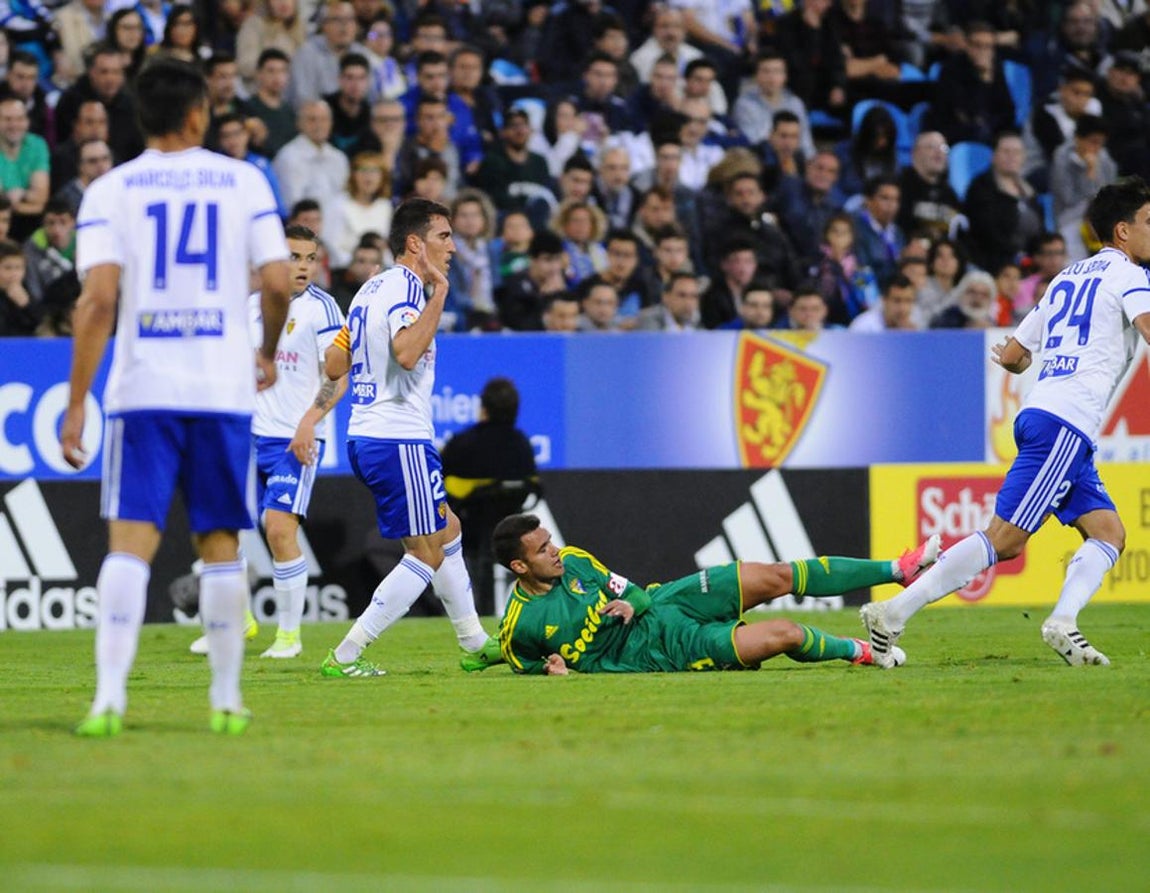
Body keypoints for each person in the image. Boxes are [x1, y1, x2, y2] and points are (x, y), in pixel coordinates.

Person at [62, 57, 292, 737]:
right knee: (221, 542)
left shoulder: (109, 189)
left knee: (129, 544)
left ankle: (108, 698)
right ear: (199, 114)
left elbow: (97, 299)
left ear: (140, 116)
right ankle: (225, 700)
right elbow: (278, 282)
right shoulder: (243, 180)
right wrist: (266, 352)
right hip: (222, 388)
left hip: (143, 391)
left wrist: (78, 400)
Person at [861, 177, 1150, 668]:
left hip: (1049, 417)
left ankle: (1063, 621)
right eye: (1148, 222)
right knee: (1006, 540)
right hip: (1065, 422)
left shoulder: (1065, 278)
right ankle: (893, 611)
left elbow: (1014, 355)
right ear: (1122, 231)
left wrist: (1022, 359)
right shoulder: (1130, 277)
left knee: (1109, 532)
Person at [321, 198, 501, 677]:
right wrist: (438, 296)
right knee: (424, 553)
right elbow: (405, 353)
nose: (453, 247)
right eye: (444, 236)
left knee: (449, 530)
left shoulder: (368, 290)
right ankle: (345, 656)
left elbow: (334, 364)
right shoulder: (406, 288)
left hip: (366, 435)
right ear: (415, 243)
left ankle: (475, 640)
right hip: (398, 437)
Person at [491, 513, 940, 675]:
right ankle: (861, 651)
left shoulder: (575, 560)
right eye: (542, 549)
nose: (555, 552)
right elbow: (521, 661)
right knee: (784, 634)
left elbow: (633, 595)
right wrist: (549, 670)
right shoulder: (520, 624)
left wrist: (633, 603)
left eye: (550, 542)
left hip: (669, 601)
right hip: (662, 651)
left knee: (777, 575)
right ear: (519, 566)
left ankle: (897, 569)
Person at [181, 226, 346, 659]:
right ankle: (235, 623)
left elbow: (339, 374)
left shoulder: (324, 310)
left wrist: (310, 421)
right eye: (294, 256)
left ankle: (289, 637)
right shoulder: (250, 307)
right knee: (222, 529)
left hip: (294, 439)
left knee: (278, 528)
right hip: (245, 435)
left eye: (310, 257)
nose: (304, 266)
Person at [441, 377, 539, 615]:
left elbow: (439, 484)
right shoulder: (523, 445)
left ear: (483, 408)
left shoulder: (462, 444)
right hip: (511, 531)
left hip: (468, 531)